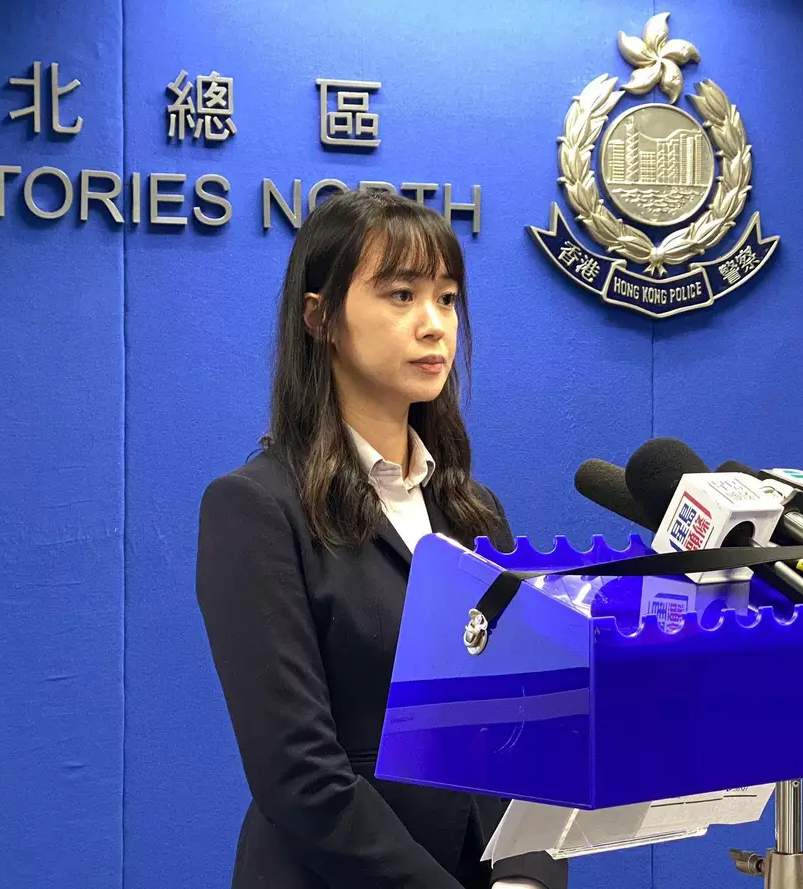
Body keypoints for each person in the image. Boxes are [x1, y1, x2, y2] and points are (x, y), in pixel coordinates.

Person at [195, 189, 567, 889]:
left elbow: (523, 729)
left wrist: (528, 876)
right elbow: (299, 774)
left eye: (447, 299)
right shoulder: (255, 508)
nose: (434, 325)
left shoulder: (474, 512)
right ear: (320, 318)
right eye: (401, 295)